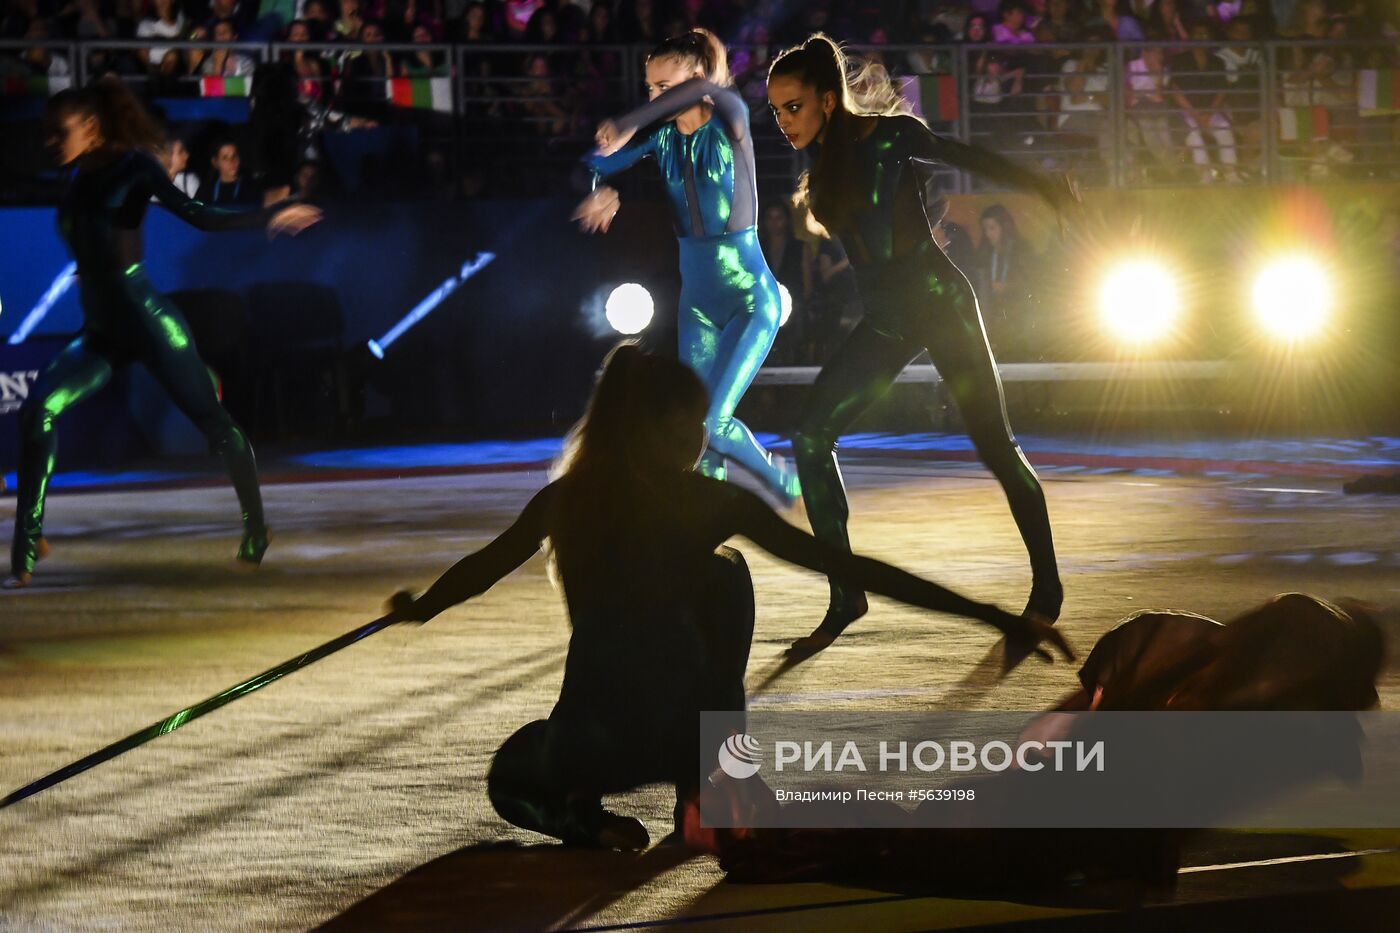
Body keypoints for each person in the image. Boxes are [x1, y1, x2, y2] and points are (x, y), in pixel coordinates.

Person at [386, 344, 1071, 851]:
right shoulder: (710, 503)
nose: (702, 437)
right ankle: (711, 784)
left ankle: (581, 816)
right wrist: (989, 612)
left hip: (592, 748)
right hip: (684, 739)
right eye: (693, 423)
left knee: (511, 773)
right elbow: (847, 563)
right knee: (728, 571)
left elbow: (480, 568)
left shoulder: (566, 500)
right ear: (656, 427)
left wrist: (420, 606)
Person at [766, 34, 1078, 667]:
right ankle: (846, 592)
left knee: (995, 445)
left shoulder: (888, 137)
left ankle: (1048, 583)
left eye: (792, 106)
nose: (783, 121)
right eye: (775, 111)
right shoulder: (815, 170)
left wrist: (1041, 185)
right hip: (886, 322)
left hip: (941, 302)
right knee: (808, 437)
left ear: (828, 100)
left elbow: (966, 155)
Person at [6, 79, 321, 588]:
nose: (48, 143)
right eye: (44, 134)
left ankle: (257, 527)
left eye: (56, 133)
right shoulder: (75, 178)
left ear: (90, 128)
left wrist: (269, 215)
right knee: (37, 409)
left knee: (216, 426)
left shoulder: (134, 167)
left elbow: (198, 215)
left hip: (151, 325)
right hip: (102, 334)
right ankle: (29, 540)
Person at [574, 30, 800, 501]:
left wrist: (630, 119)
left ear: (695, 76)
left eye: (664, 87)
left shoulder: (730, 116)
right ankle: (707, 528)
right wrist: (598, 186)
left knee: (713, 423)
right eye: (650, 89)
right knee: (693, 428)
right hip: (696, 303)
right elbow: (594, 159)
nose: (655, 97)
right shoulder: (662, 138)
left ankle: (784, 480)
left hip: (750, 299)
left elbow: (701, 93)